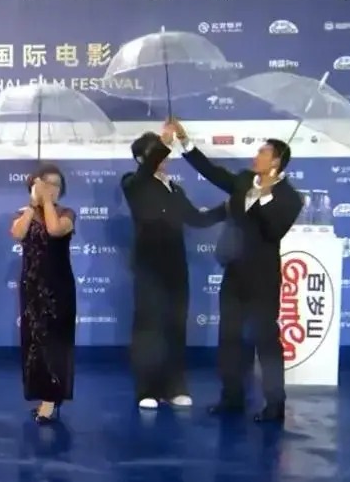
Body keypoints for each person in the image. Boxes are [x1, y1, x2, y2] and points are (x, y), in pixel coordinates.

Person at [175, 122, 303, 423]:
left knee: (265, 341)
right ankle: (231, 397)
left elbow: (273, 231)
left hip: (262, 279)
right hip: (233, 274)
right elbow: (213, 172)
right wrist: (185, 143)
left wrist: (266, 198)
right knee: (229, 338)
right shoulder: (244, 180)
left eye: (262, 153)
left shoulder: (290, 198)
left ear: (276, 161)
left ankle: (275, 405)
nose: (255, 156)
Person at [121, 122, 228, 411]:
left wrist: (228, 209)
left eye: (165, 152)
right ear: (142, 159)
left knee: (175, 326)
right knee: (149, 329)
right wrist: (164, 142)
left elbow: (196, 219)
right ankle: (147, 389)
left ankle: (174, 387)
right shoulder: (133, 183)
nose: (165, 157)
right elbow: (145, 173)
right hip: (149, 268)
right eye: (157, 153)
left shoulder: (174, 189)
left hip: (176, 267)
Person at [9, 164, 76, 424]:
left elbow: (54, 230)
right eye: (46, 184)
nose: (52, 189)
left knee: (55, 343)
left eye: (56, 185)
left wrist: (46, 202)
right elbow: (17, 233)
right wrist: (32, 205)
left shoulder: (67, 214)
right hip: (32, 287)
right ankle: (43, 395)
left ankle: (51, 399)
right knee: (35, 343)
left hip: (58, 288)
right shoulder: (23, 213)